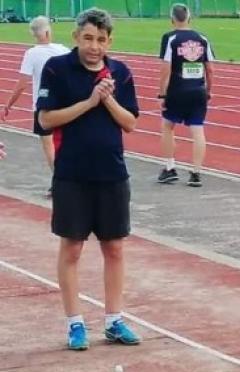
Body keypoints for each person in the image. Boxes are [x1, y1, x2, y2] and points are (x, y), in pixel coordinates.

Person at [37, 8, 142, 350]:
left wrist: (108, 98)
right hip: (72, 174)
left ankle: (114, 321)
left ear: (109, 41)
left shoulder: (120, 72)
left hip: (111, 172)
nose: (94, 46)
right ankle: (75, 323)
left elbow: (130, 123)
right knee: (72, 248)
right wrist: (90, 100)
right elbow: (47, 119)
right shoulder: (58, 69)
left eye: (100, 40)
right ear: (76, 38)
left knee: (114, 247)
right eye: (88, 38)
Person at [0, 16, 70, 184]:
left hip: (43, 106)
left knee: (49, 146)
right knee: (67, 143)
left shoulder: (31, 54)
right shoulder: (64, 50)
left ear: (34, 34)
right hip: (66, 104)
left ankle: (60, 182)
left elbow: (22, 84)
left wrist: (8, 105)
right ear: (47, 31)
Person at [157, 3, 214, 187]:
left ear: (172, 19)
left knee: (167, 126)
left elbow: (165, 69)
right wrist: (209, 91)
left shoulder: (170, 38)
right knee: (198, 130)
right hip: (199, 90)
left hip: (177, 90)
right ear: (189, 18)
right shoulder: (203, 38)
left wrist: (162, 94)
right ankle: (196, 173)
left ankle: (169, 168)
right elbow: (210, 69)